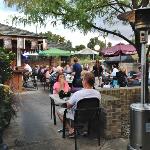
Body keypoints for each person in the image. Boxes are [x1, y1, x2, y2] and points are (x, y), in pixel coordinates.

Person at [57, 72, 101, 136]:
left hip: (78, 116)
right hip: (92, 115)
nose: (82, 81)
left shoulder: (78, 94)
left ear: (85, 82)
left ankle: (70, 129)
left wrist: (67, 101)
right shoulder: (98, 94)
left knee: (59, 111)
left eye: (82, 80)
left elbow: (68, 106)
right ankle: (84, 129)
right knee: (80, 109)